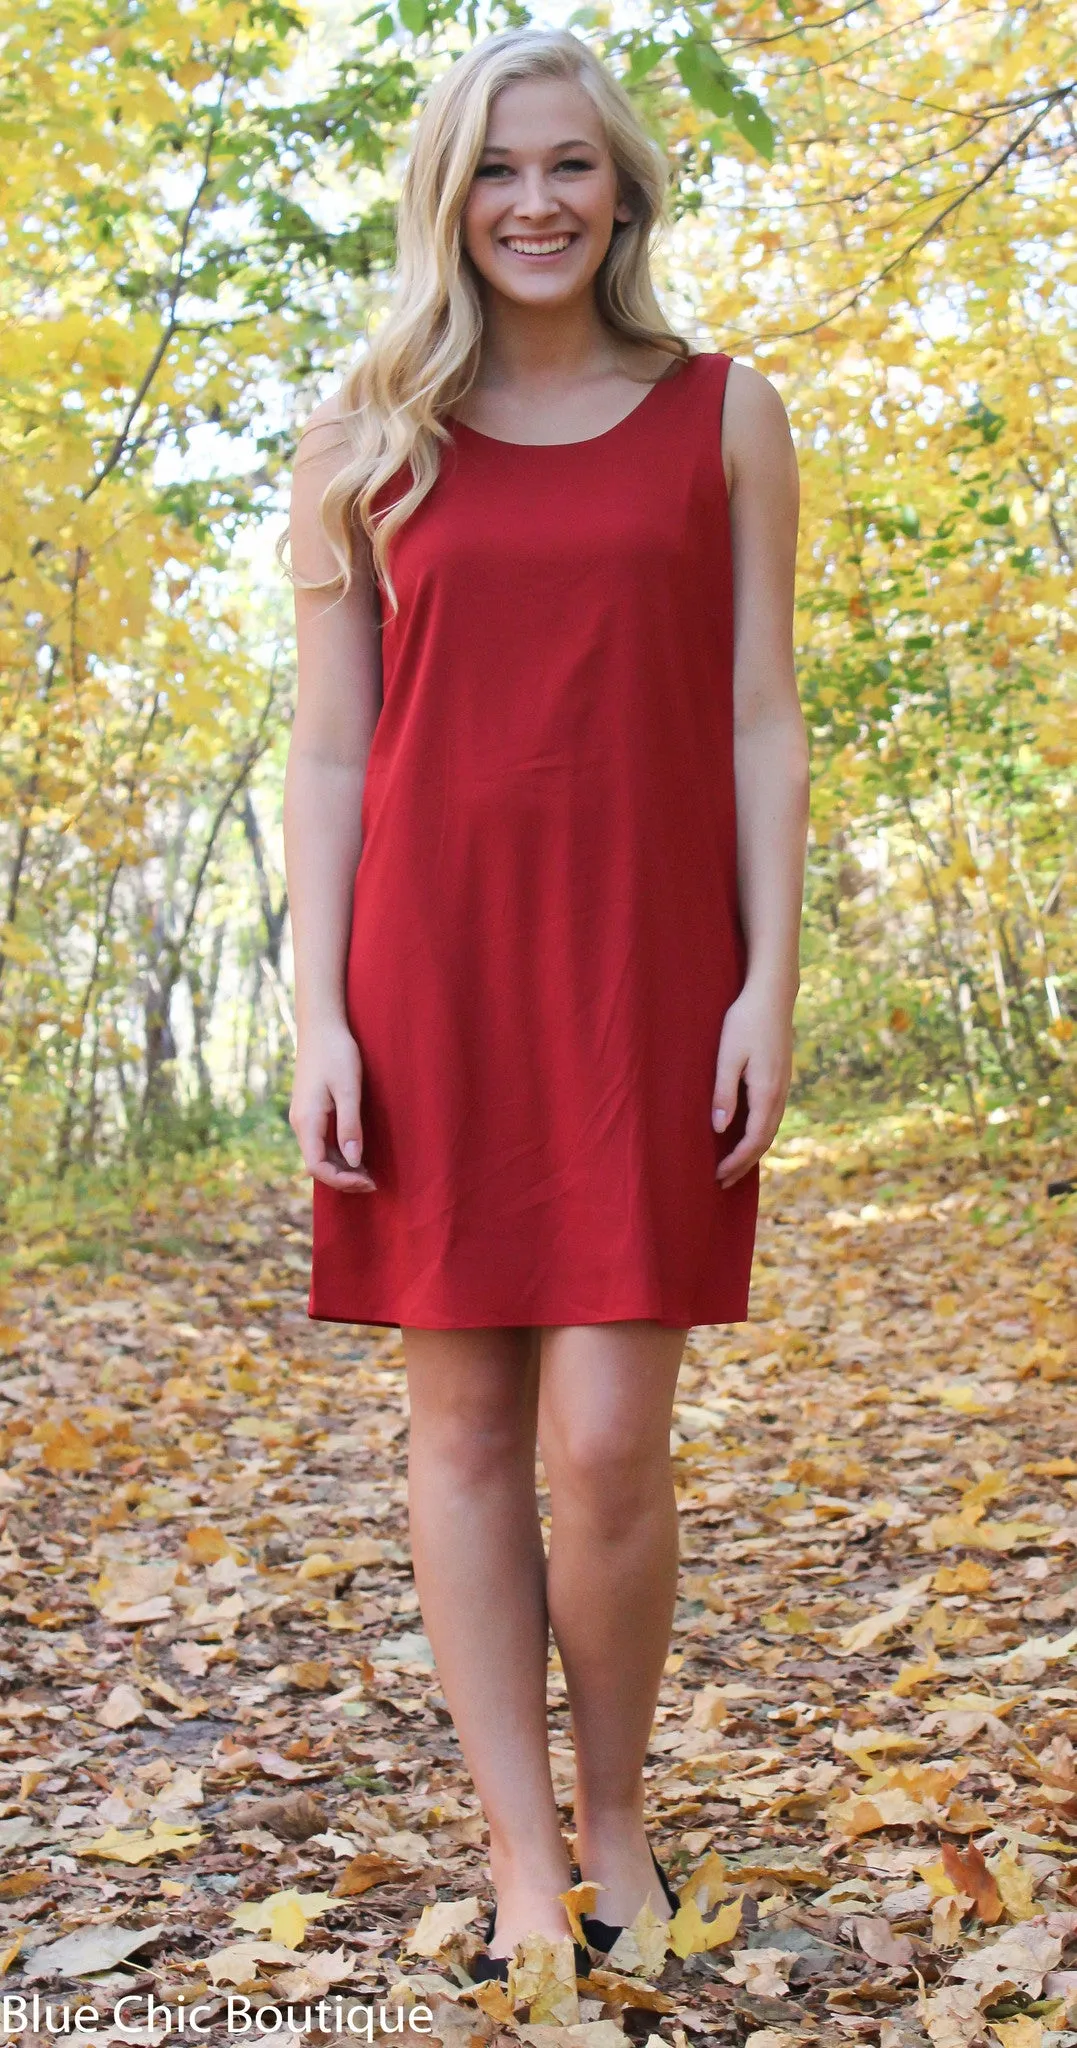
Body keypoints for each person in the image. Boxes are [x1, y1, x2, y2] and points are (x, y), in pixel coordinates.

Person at [282, 24, 809, 1982]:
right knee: (460, 1427)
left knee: (605, 1438)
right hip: (427, 970)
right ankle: (521, 1851)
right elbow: (328, 760)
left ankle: (613, 1809)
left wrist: (769, 971)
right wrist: (316, 1008)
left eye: (570, 164)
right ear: (447, 193)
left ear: (622, 191)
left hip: (645, 966)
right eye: (499, 167)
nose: (533, 199)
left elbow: (763, 718)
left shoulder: (725, 417)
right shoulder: (361, 441)